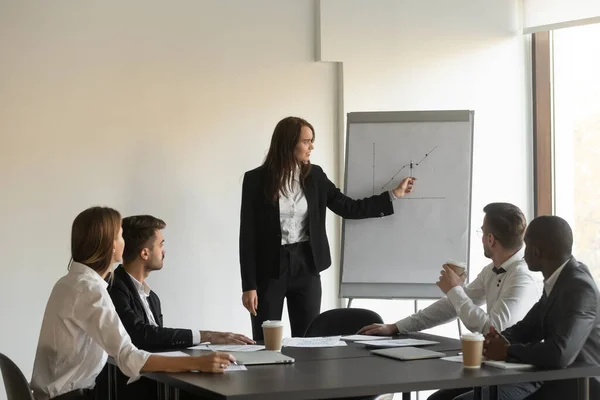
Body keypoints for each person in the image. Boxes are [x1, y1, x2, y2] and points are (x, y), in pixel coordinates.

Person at [239, 116, 416, 340]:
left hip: (307, 267)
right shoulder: (256, 180)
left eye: (311, 141)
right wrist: (249, 285)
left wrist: (393, 195)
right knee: (266, 342)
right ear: (288, 143)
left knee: (308, 340)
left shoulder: (315, 176)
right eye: (306, 141)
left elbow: (348, 207)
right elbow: (247, 236)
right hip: (269, 271)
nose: (311, 146)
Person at [30, 207, 234, 400]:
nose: (124, 242)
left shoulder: (69, 282)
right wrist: (197, 363)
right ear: (110, 245)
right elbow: (128, 356)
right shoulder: (90, 290)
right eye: (120, 235)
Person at [106, 214, 254, 399]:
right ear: (145, 253)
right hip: (129, 387)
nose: (164, 251)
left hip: (154, 379)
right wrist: (208, 335)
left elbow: (158, 340)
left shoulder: (152, 298)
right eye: (161, 245)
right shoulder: (114, 287)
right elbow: (141, 335)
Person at [358, 202, 539, 345]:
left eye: (482, 233)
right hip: (496, 366)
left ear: (490, 240)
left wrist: (455, 290)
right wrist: (396, 327)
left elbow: (494, 330)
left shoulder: (523, 276)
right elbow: (451, 306)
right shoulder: (490, 271)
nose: (482, 238)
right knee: (440, 394)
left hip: (517, 375)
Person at [477, 215, 600, 400]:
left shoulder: (579, 287)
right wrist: (493, 341)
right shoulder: (559, 280)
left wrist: (506, 351)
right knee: (443, 397)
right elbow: (527, 329)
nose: (523, 253)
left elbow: (560, 353)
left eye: (526, 246)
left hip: (581, 387)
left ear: (536, 252)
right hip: (553, 378)